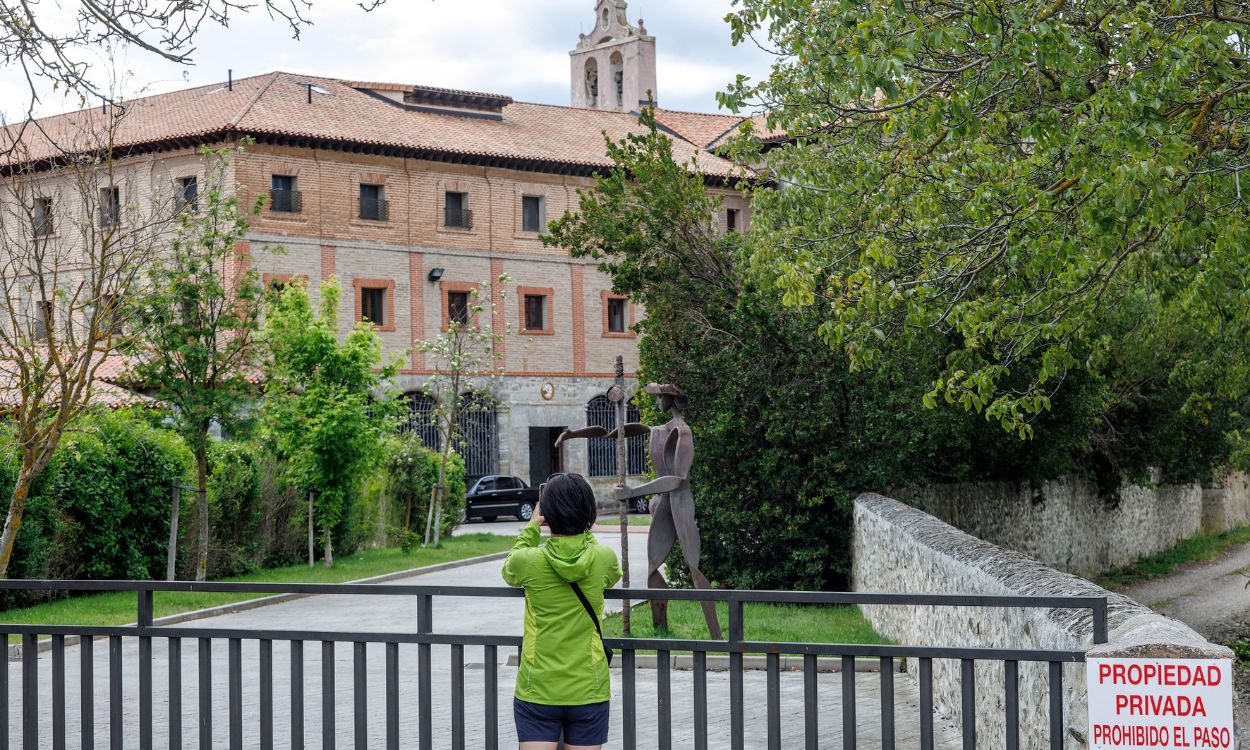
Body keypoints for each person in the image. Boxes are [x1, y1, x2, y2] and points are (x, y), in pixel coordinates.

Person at [502, 473, 622, 750]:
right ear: (588, 512)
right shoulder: (603, 557)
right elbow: (612, 575)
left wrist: (532, 528)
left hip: (538, 686)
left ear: (546, 512)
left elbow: (509, 569)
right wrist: (583, 529)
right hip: (588, 688)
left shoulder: (527, 561)